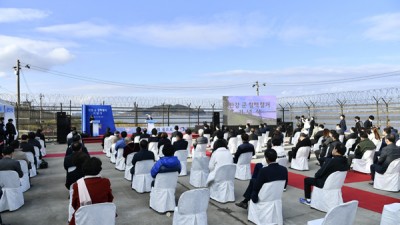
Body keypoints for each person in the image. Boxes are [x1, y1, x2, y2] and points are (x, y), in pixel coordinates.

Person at [69, 157, 114, 225]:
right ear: (99, 169)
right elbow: (110, 199)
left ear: (84, 169)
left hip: (83, 218)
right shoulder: (106, 182)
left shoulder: (77, 185)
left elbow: (74, 205)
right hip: (102, 217)